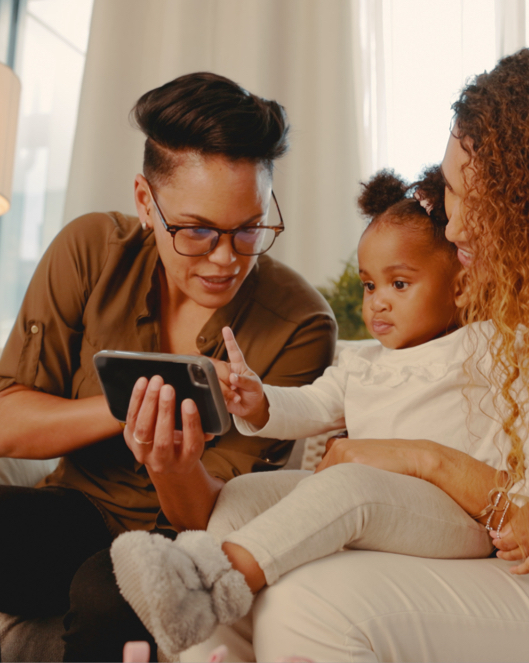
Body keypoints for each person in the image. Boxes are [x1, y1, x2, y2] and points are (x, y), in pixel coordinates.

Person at [160, 45, 529, 663]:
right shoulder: (489, 300)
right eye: (451, 194)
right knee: (258, 540)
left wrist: (421, 459)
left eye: (480, 203)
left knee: (310, 601)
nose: (452, 228)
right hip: (494, 552)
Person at [110, 167, 529, 658]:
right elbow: (312, 405)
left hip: (459, 518)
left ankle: (207, 583)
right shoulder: (361, 362)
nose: (378, 303)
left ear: (460, 288)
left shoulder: (494, 346)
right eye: (369, 285)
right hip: (380, 507)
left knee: (351, 482)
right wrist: (259, 398)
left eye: (399, 284)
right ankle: (216, 651)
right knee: (242, 495)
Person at [0, 72, 336, 662]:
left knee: (111, 595)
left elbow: (218, 518)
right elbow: (7, 421)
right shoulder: (89, 251)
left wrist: (172, 468)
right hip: (75, 512)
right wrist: (124, 401)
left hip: (185, 545)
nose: (226, 259)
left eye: (249, 228)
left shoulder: (301, 324)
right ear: (144, 202)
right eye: (198, 231)